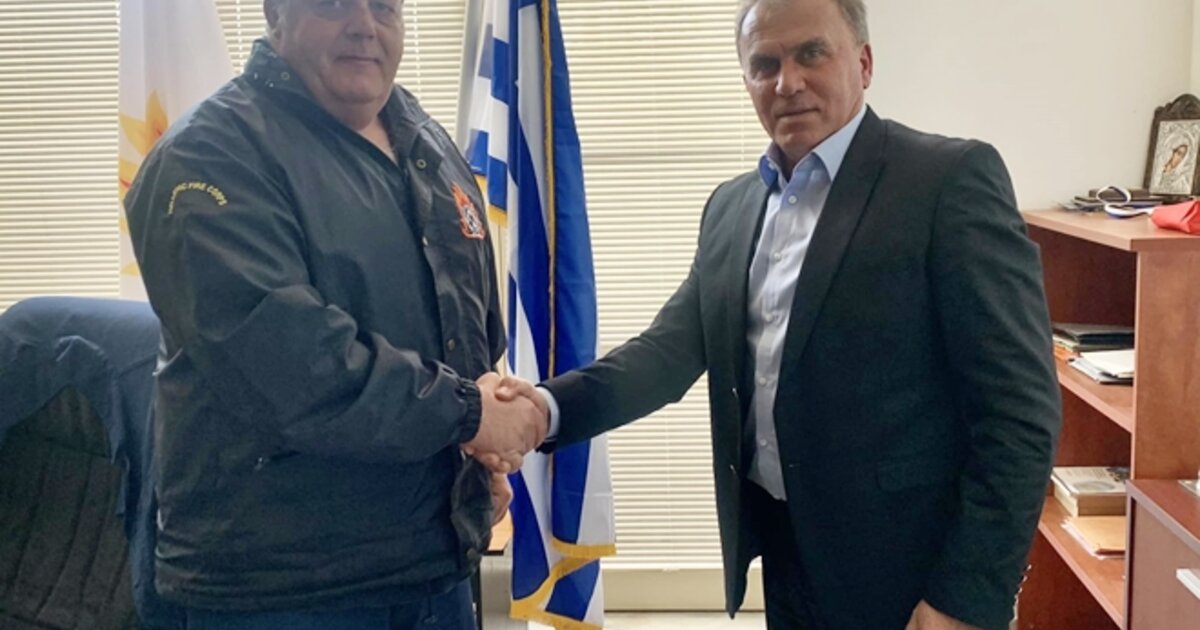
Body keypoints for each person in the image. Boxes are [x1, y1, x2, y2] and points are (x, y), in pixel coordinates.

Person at [496, 0, 1061, 628]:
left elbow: (1019, 411)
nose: (787, 82)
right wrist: (541, 410)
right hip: (784, 558)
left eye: (811, 53)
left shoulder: (946, 181)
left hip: (912, 574)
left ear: (864, 63)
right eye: (764, 64)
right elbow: (666, 353)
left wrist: (966, 596)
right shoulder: (731, 207)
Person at [124, 1, 545, 628]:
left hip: (433, 563)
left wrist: (475, 455)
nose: (363, 26)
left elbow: (466, 322)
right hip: (286, 587)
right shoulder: (208, 155)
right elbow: (290, 364)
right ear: (276, 15)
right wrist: (470, 414)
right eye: (333, 4)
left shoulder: (422, 138)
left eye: (384, 7)